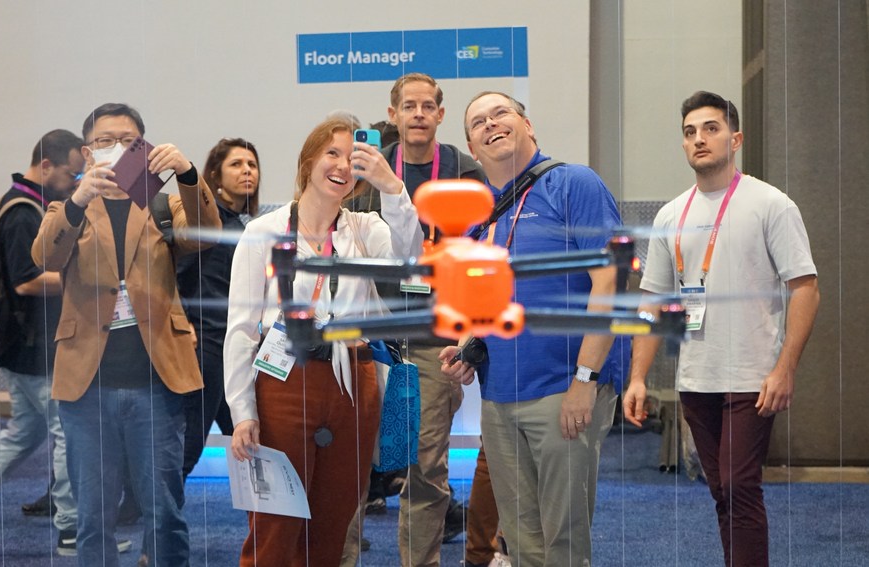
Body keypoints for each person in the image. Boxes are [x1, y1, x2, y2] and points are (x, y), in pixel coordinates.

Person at [623, 91, 820, 567]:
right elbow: (653, 302)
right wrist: (637, 377)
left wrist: (785, 368)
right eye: (690, 132)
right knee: (722, 491)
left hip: (754, 376)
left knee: (738, 485)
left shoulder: (771, 204)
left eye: (711, 129)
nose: (699, 139)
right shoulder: (672, 215)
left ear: (735, 139)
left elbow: (806, 288)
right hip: (697, 377)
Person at [224, 117, 423, 567]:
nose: (342, 166)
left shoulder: (366, 228)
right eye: (332, 153)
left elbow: (410, 259)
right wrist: (242, 411)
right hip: (283, 380)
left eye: (353, 157)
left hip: (354, 380)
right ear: (308, 159)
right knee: (274, 525)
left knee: (333, 525)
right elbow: (241, 329)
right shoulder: (264, 231)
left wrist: (392, 187)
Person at [441, 91, 628, 567]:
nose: (490, 124)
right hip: (498, 399)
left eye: (500, 113)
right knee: (522, 542)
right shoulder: (477, 218)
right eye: (478, 122)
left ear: (528, 126)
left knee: (564, 542)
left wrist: (584, 382)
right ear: (472, 146)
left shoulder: (574, 184)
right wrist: (467, 346)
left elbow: (609, 283)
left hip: (564, 391)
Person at [31, 102, 221, 567]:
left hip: (156, 382)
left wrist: (188, 174)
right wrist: (78, 200)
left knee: (164, 511)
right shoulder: (66, 208)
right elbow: (45, 257)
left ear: (144, 148)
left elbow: (205, 235)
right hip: (86, 387)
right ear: (86, 152)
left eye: (127, 141)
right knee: (93, 516)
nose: (116, 148)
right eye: (104, 140)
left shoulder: (162, 203)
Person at [351, 72, 484, 567]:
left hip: (432, 340)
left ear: (441, 114)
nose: (419, 114)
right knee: (354, 464)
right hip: (373, 339)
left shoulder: (464, 173)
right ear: (393, 114)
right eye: (409, 106)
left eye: (428, 106)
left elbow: (480, 251)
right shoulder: (368, 169)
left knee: (425, 467)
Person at [0, 130, 89, 556]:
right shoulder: (24, 212)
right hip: (31, 348)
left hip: (20, 346)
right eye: (72, 173)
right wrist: (85, 283)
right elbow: (26, 281)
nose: (75, 181)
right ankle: (72, 531)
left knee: (23, 434)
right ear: (46, 166)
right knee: (66, 433)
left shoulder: (19, 203)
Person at [177, 137, 261, 481]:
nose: (247, 171)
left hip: (234, 344)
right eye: (236, 164)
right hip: (205, 344)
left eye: (252, 165)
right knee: (189, 442)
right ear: (215, 174)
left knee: (252, 441)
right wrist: (183, 324)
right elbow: (174, 274)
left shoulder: (243, 224)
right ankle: (149, 507)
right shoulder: (208, 223)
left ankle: (269, 509)